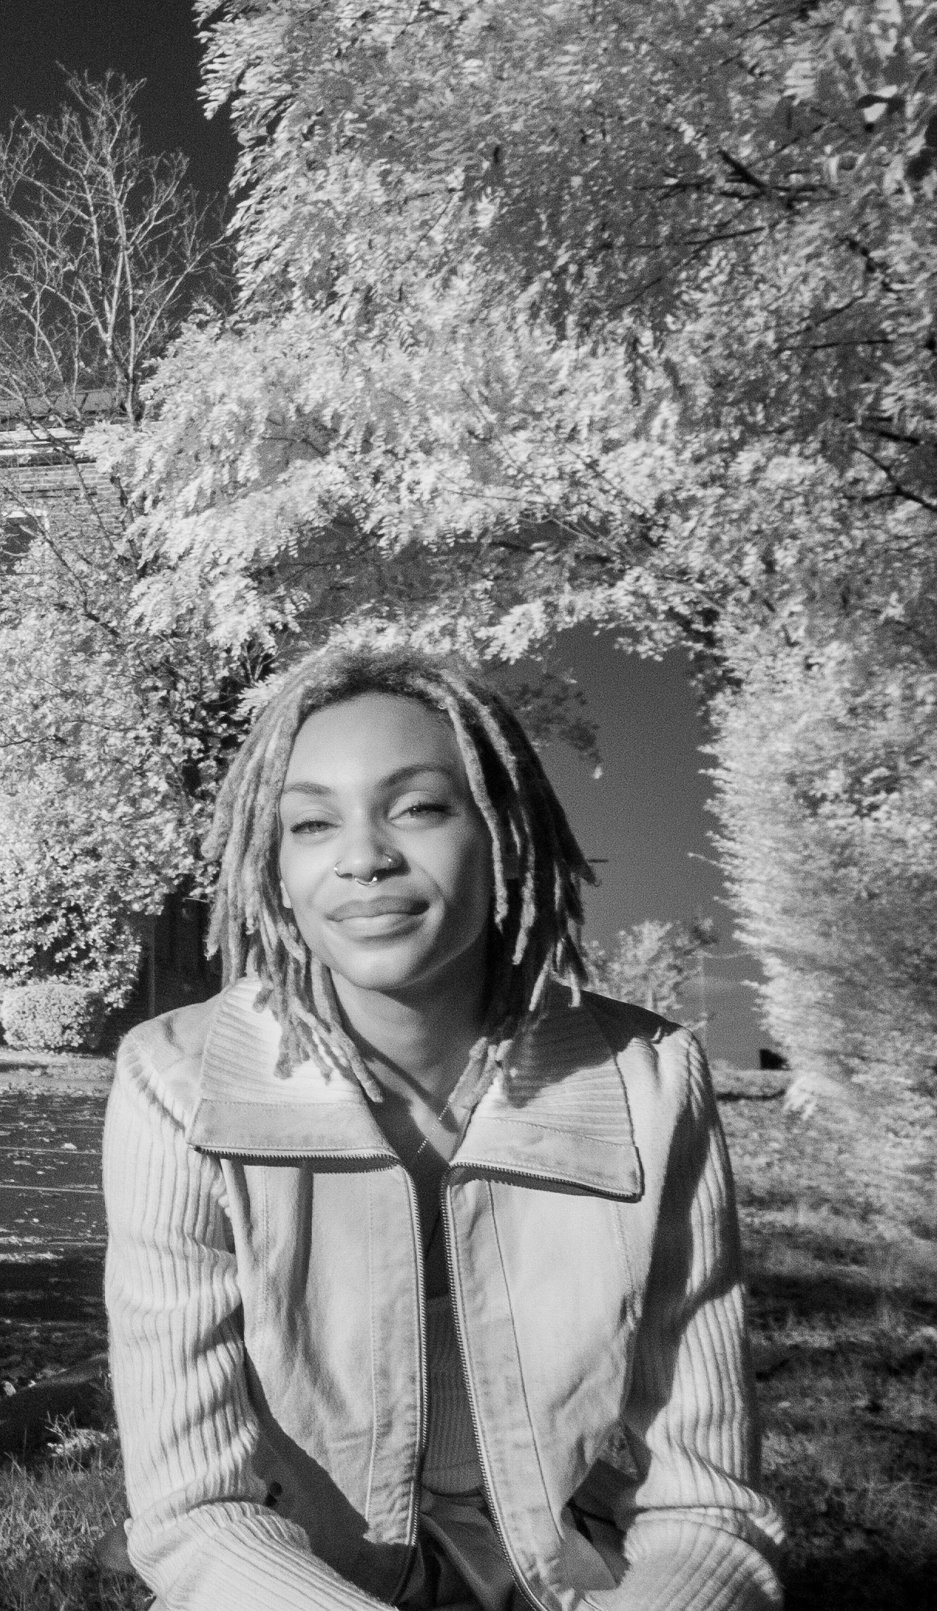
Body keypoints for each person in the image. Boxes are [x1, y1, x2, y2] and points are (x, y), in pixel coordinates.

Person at [104, 645, 783, 1609]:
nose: (364, 855)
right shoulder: (176, 1085)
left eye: (417, 807)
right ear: (276, 867)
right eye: (311, 822)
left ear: (501, 832)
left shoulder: (648, 1082)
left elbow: (702, 1500)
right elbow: (198, 1512)